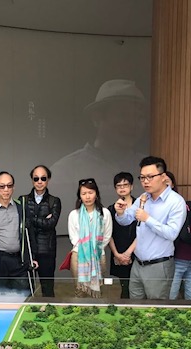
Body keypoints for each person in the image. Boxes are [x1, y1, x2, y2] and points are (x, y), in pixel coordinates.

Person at [51, 79, 147, 234]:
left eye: (139, 117)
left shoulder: (146, 168)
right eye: (124, 115)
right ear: (97, 118)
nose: (133, 124)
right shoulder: (64, 170)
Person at [114, 157, 186, 300]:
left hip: (159, 265)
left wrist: (148, 219)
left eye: (150, 177)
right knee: (134, 306)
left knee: (155, 307)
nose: (145, 181)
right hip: (138, 263)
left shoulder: (176, 202)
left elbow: (172, 233)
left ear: (163, 177)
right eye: (142, 178)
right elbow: (126, 220)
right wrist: (120, 213)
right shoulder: (143, 197)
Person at [0, 171, 37, 295]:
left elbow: (29, 234)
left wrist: (32, 257)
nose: (6, 190)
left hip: (19, 261)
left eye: (9, 186)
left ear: (13, 187)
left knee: (23, 299)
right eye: (2, 186)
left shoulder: (21, 207)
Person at [69, 178, 113, 297]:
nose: (87, 197)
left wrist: (95, 248)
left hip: (98, 255)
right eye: (84, 193)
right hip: (79, 255)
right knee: (79, 291)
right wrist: (86, 248)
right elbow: (73, 237)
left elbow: (107, 235)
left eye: (90, 192)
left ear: (96, 194)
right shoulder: (74, 214)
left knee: (99, 292)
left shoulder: (104, 213)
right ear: (79, 196)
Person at [21, 165, 61, 297]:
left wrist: (31, 218)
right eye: (36, 178)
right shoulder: (23, 200)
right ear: (32, 180)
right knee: (26, 290)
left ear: (48, 179)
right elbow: (23, 223)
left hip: (47, 251)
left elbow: (51, 224)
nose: (39, 181)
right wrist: (42, 220)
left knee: (48, 290)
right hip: (28, 251)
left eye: (43, 178)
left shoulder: (54, 201)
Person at [108, 172, 137, 299]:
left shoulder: (140, 206)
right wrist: (117, 254)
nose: (122, 188)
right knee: (124, 287)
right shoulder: (111, 209)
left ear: (131, 186)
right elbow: (108, 234)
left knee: (136, 288)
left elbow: (143, 232)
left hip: (137, 251)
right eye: (119, 186)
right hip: (118, 251)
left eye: (125, 185)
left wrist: (129, 253)